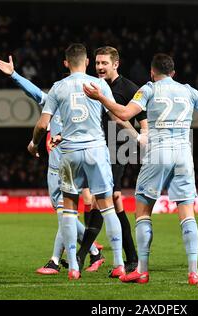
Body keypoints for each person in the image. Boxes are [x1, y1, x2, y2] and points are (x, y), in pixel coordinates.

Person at [83, 53, 198, 285]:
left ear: (152, 73)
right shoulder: (188, 90)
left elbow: (123, 114)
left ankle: (142, 270)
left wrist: (101, 97)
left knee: (143, 213)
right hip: (184, 154)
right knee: (187, 213)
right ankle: (193, 272)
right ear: (173, 73)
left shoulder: (148, 90)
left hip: (158, 153)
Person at [28, 43, 137, 280]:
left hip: (69, 153)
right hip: (97, 151)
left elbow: (42, 125)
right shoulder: (98, 85)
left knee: (69, 210)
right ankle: (119, 263)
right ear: (87, 62)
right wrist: (137, 137)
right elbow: (117, 117)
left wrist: (34, 144)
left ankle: (74, 269)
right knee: (107, 208)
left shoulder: (58, 88)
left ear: (66, 62)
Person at [0, 55, 103, 275]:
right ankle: (89, 252)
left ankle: (67, 258)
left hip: (61, 167)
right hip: (78, 162)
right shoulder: (82, 101)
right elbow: (33, 91)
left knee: (65, 214)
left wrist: (14, 75)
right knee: (67, 215)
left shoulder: (56, 99)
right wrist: (14, 75)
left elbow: (35, 94)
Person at [76, 46, 147, 273]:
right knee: (112, 203)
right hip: (96, 147)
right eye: (97, 63)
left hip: (120, 147)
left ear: (116, 64)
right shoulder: (92, 85)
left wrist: (141, 137)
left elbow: (143, 121)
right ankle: (132, 257)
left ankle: (82, 255)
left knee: (106, 197)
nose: (99, 67)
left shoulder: (129, 89)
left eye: (104, 63)